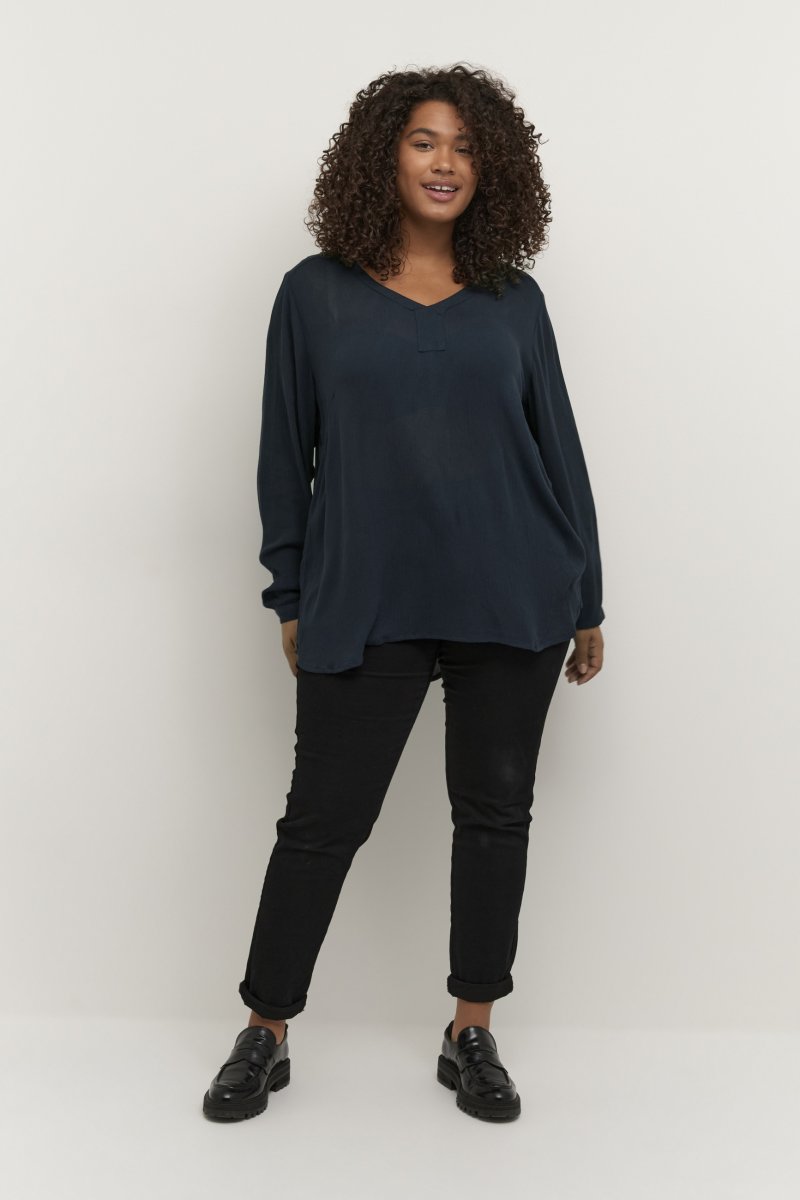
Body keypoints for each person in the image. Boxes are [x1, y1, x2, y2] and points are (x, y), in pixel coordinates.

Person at [203, 63, 605, 1125]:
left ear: (493, 167)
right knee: (321, 822)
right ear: (383, 154)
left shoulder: (514, 301)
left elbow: (557, 450)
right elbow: (283, 456)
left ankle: (471, 1031)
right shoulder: (314, 293)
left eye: (466, 147)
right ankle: (264, 1030)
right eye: (424, 140)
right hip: (365, 594)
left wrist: (588, 600)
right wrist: (290, 593)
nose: (445, 163)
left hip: (512, 595)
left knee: (494, 817)